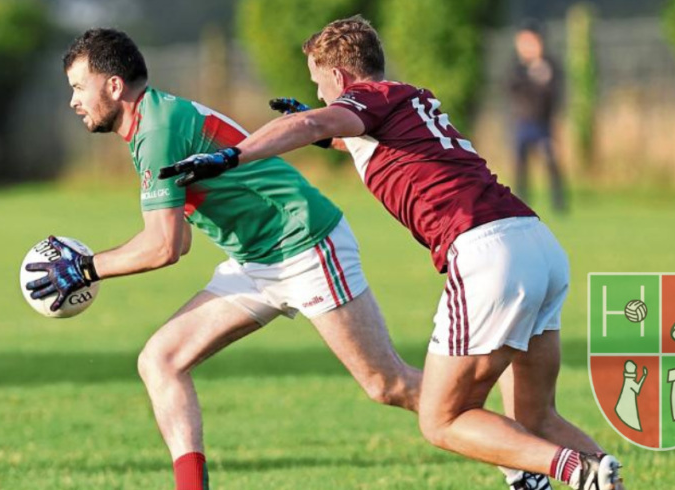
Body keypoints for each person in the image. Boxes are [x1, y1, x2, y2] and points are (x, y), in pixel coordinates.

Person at [164, 16, 625, 490]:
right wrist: (325, 133)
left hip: (487, 254)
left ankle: (574, 470)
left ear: (339, 77)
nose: (321, 94)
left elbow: (315, 120)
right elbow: (350, 135)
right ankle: (598, 475)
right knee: (536, 417)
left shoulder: (364, 100)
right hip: (536, 243)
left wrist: (231, 155)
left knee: (441, 419)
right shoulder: (408, 98)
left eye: (320, 83)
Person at [25, 28, 422, 490]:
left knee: (387, 385)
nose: (73, 101)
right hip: (256, 260)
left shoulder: (156, 130)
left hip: (305, 243)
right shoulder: (151, 122)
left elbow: (166, 246)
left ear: (113, 86)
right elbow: (173, 243)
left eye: (78, 87)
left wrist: (85, 269)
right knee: (162, 359)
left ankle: (508, 448)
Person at [506, 20, 567, 213]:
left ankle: (559, 203)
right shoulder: (517, 69)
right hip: (523, 122)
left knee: (551, 161)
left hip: (544, 123)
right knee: (520, 165)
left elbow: (555, 94)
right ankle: (521, 203)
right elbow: (511, 90)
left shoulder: (549, 66)